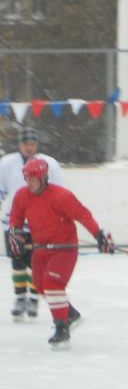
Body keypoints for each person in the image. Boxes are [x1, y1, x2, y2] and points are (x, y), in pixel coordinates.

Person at [7, 157, 114, 349]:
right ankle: (70, 314)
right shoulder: (22, 196)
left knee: (52, 284)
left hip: (64, 250)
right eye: (27, 178)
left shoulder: (61, 196)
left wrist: (99, 234)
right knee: (41, 287)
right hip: (40, 249)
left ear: (43, 177)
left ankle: (62, 328)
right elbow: (15, 217)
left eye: (33, 178)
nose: (29, 182)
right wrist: (16, 234)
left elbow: (83, 215)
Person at [0, 126, 64, 322]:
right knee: (17, 262)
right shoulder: (6, 163)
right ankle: (20, 297)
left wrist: (59, 217)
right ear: (20, 144)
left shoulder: (49, 164)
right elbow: (1, 190)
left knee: (37, 263)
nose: (29, 147)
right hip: (13, 221)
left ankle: (34, 298)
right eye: (26, 144)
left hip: (40, 223)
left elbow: (59, 192)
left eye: (33, 144)